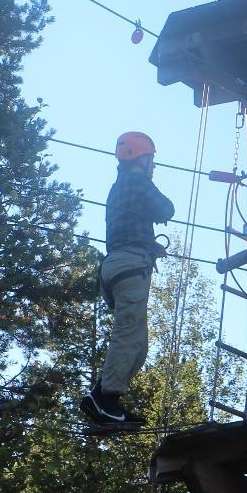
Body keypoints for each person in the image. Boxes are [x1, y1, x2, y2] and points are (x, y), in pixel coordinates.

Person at [80, 131, 174, 426]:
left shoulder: (117, 187)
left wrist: (149, 245)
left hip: (115, 266)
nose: (154, 166)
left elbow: (129, 227)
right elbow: (166, 208)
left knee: (137, 344)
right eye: (151, 160)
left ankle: (104, 396)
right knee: (127, 336)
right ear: (141, 158)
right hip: (130, 266)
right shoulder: (138, 181)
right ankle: (106, 399)